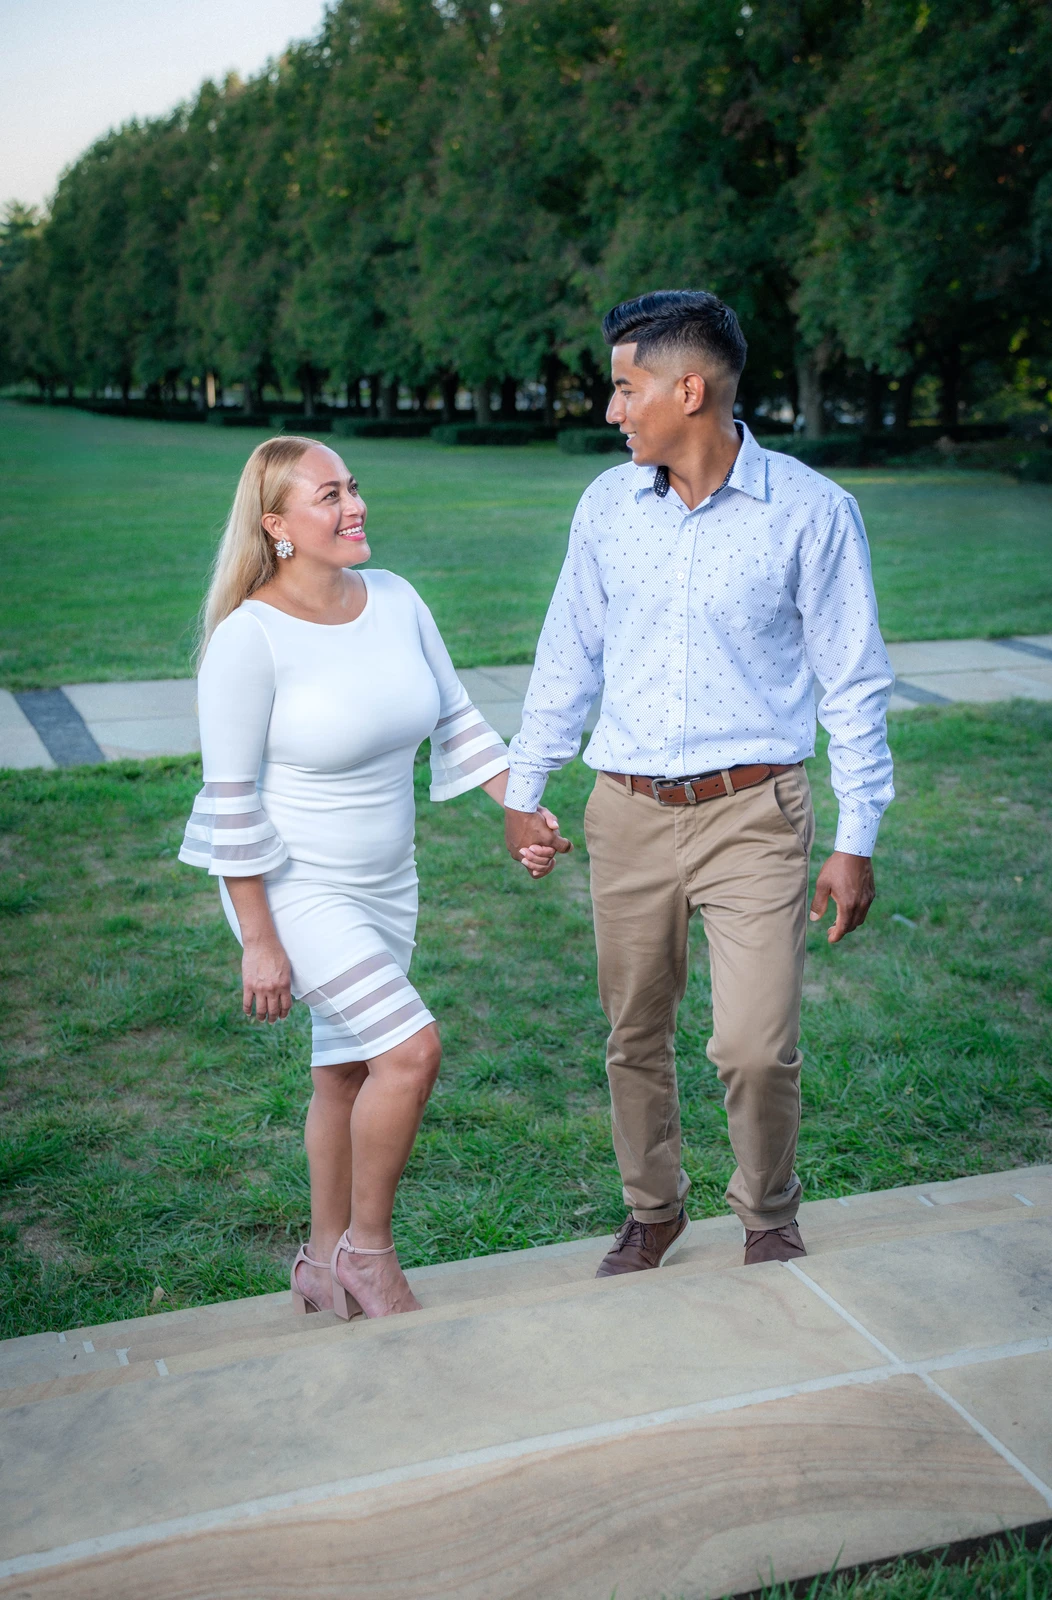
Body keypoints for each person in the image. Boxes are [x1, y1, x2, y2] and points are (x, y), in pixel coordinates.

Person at [504, 290, 894, 1273]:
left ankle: (766, 1211)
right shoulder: (606, 506)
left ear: (688, 390)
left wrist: (856, 839)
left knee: (753, 1045)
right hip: (625, 811)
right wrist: (523, 787)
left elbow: (853, 682)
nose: (610, 410)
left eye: (624, 388)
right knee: (632, 1031)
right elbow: (566, 653)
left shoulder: (810, 510)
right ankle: (653, 1208)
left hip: (753, 814)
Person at [179, 436, 557, 1320]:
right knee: (409, 1051)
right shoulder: (248, 640)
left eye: (353, 488)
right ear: (276, 525)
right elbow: (229, 801)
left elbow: (458, 722)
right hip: (292, 889)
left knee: (345, 1073)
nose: (354, 507)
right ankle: (367, 1254)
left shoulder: (394, 598)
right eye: (329, 496)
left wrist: (520, 808)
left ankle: (318, 1263)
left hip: (387, 881)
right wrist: (260, 941)